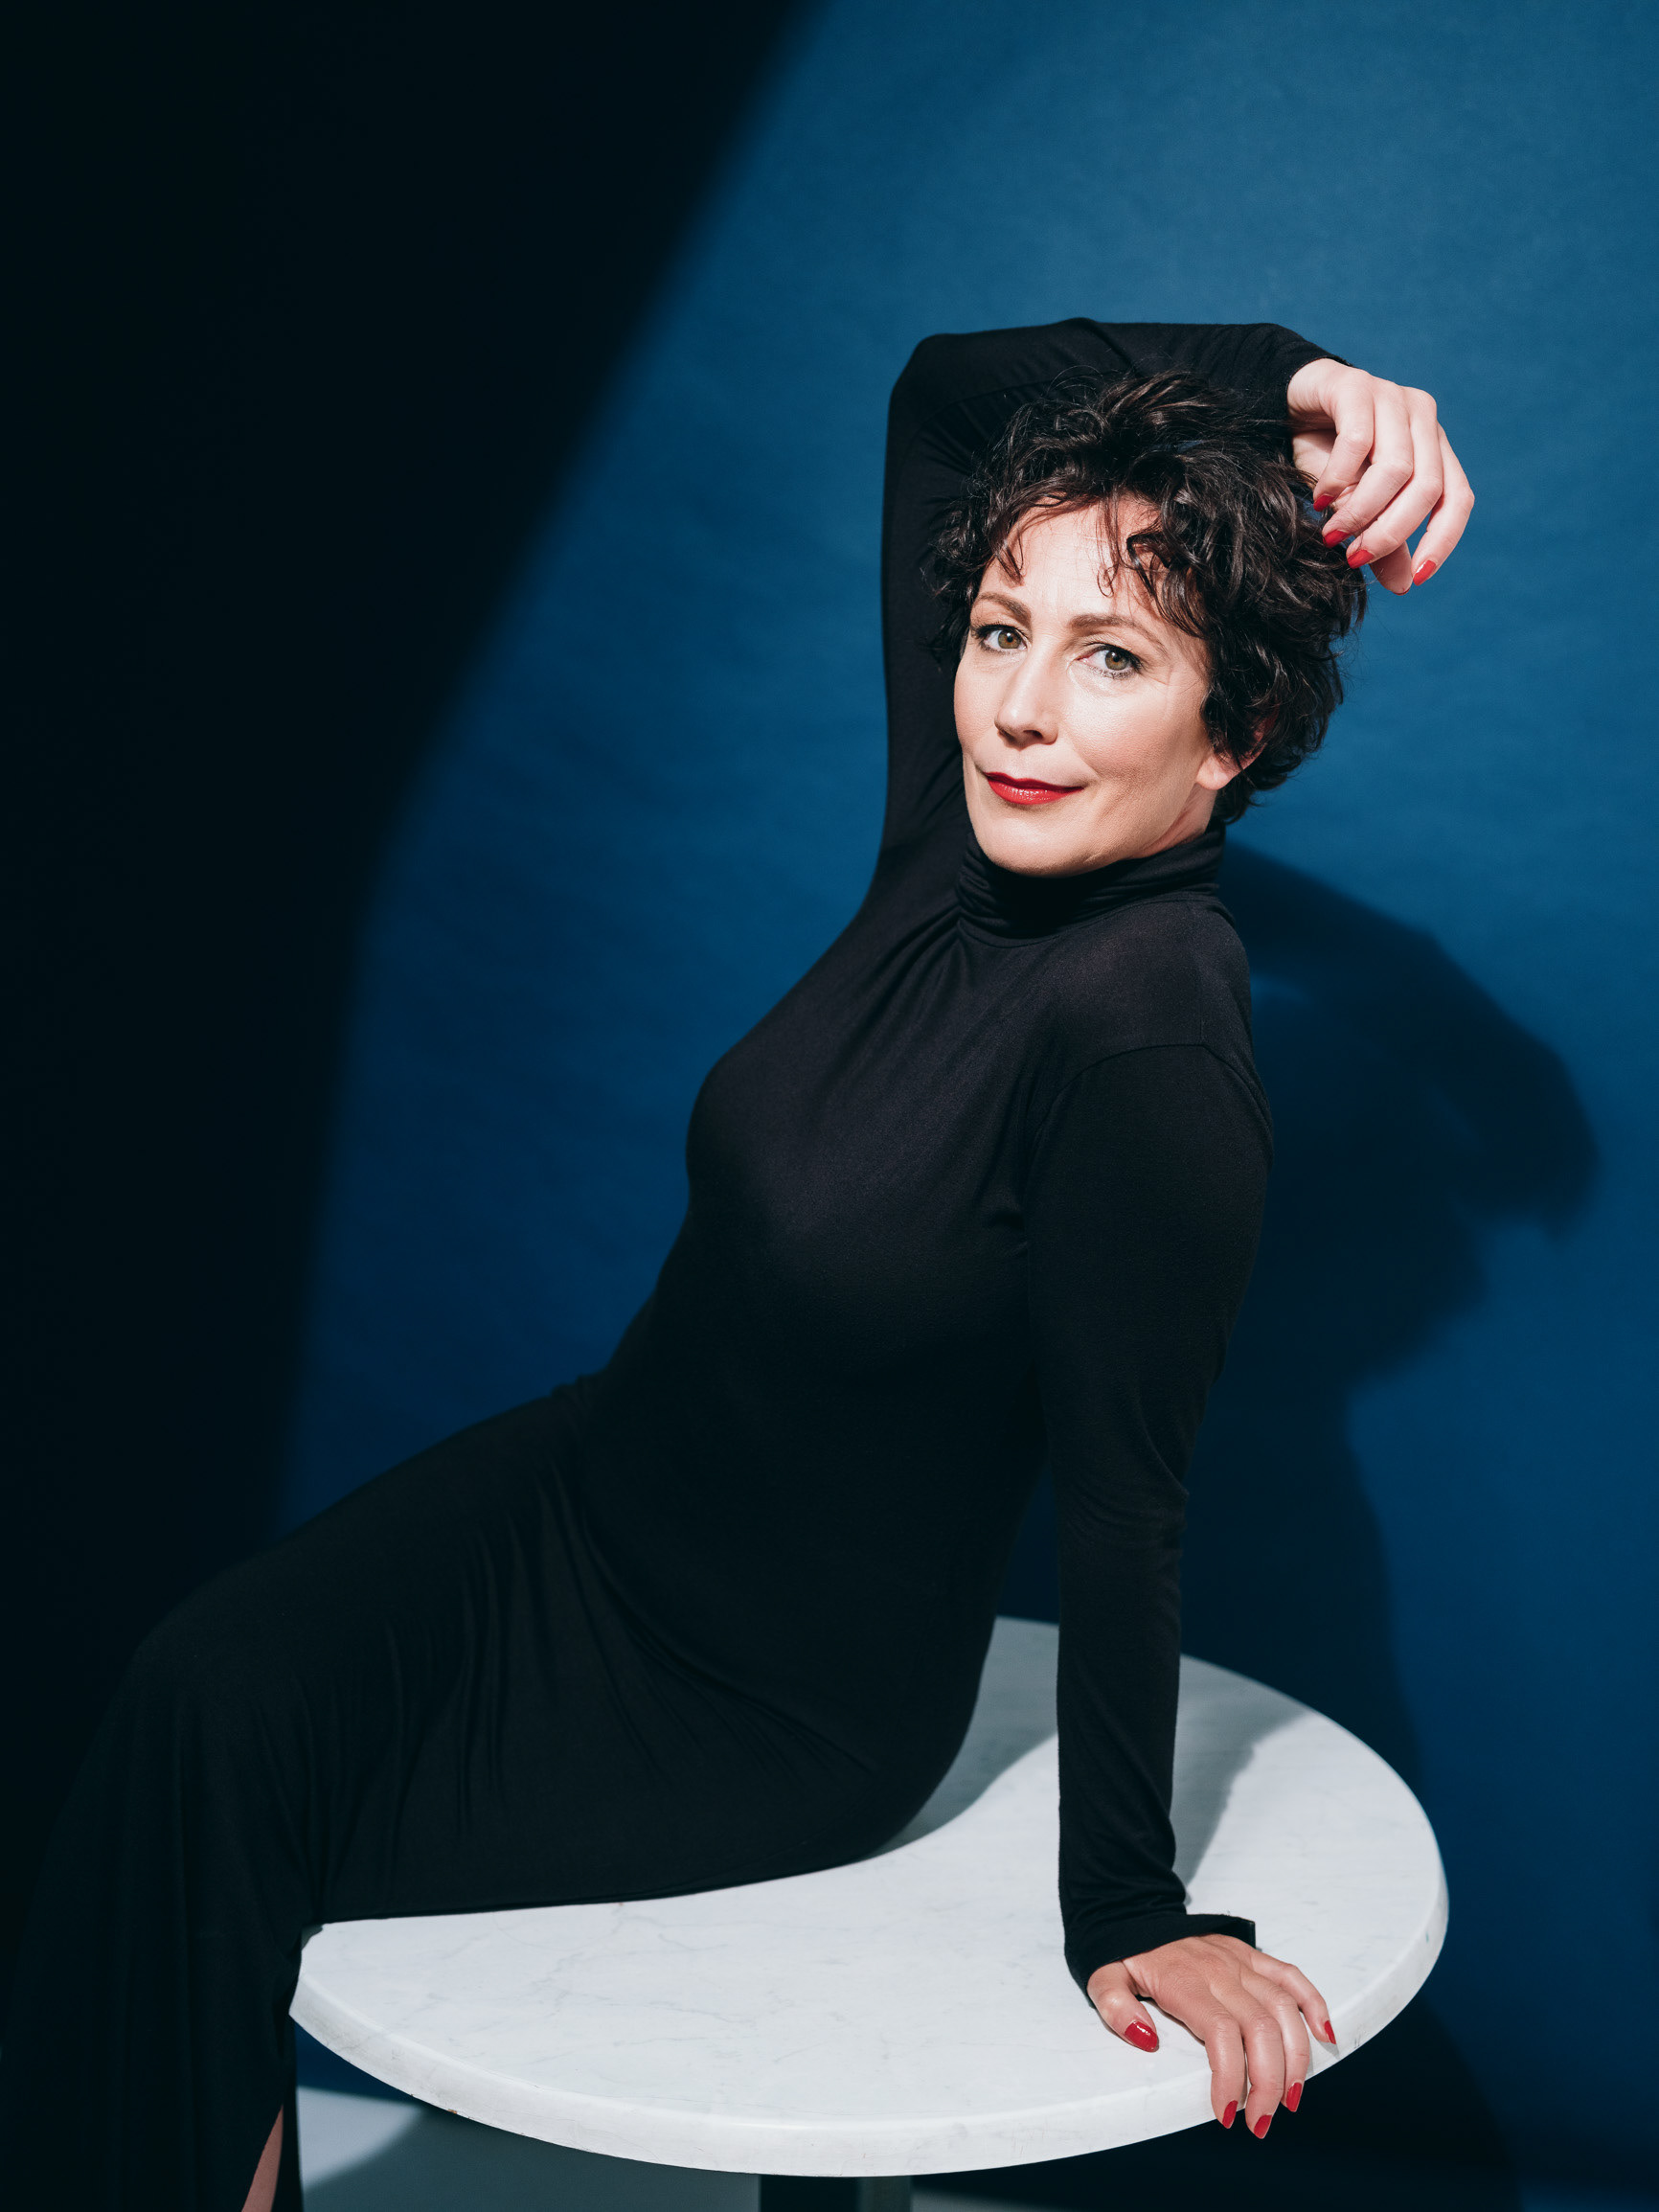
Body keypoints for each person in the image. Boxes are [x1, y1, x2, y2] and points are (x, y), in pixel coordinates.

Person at [0, 317, 1472, 2211]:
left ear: (1233, 734)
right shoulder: (963, 829)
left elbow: (1128, 1502)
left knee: (232, 1808)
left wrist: (1126, 1904)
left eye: (1112, 656)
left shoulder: (1148, 1028)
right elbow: (945, 393)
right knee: (185, 1707)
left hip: (765, 1697)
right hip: (589, 1499)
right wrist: (1294, 380)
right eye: (999, 629)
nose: (1017, 707)